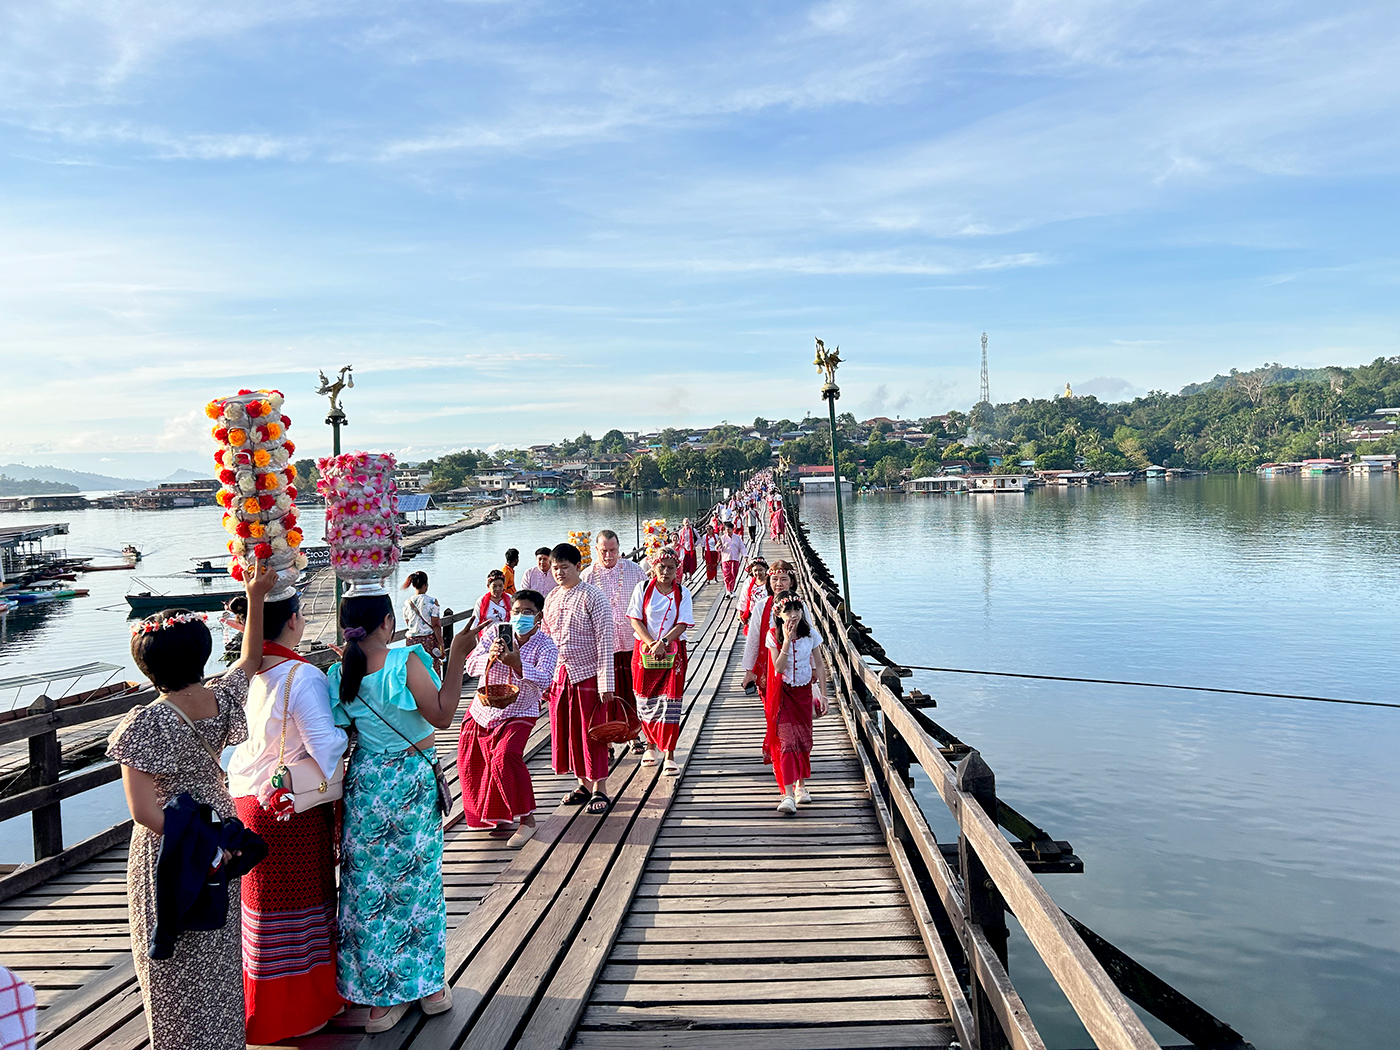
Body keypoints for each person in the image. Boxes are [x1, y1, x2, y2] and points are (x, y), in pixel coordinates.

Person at [107, 559, 277, 1050]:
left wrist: (195, 842)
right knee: (217, 952)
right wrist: (256, 595)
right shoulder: (220, 699)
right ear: (201, 655)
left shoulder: (145, 724)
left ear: (148, 666)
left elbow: (143, 811)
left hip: (170, 851)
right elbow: (249, 661)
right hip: (218, 840)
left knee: (170, 958)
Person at [329, 589, 476, 1033]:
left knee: (367, 889)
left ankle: (379, 1000)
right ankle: (428, 989)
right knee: (418, 883)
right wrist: (457, 658)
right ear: (389, 622)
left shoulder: (339, 672)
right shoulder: (405, 660)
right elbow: (443, 716)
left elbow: (342, 732)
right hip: (410, 778)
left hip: (368, 783)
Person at [227, 592, 348, 1043]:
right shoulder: (303, 674)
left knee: (261, 912)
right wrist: (347, 729)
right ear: (295, 620)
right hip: (289, 810)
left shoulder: (247, 674)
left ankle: (261, 1008)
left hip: (248, 802)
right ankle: (299, 1009)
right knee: (299, 910)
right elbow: (326, 746)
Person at [459, 590, 557, 848]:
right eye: (516, 611)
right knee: (472, 762)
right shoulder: (495, 633)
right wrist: (489, 657)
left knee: (505, 757)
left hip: (520, 709)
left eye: (527, 612)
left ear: (539, 617)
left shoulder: (546, 644)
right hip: (485, 707)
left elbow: (546, 680)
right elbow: (470, 665)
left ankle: (528, 819)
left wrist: (518, 665)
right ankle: (496, 816)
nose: (521, 616)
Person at [541, 543, 618, 815]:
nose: (559, 573)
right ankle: (582, 784)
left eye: (564, 567)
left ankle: (600, 788)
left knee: (593, 733)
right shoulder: (551, 598)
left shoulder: (593, 596)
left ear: (578, 566)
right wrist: (543, 678)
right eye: (555, 568)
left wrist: (605, 683)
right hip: (560, 674)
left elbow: (605, 640)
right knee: (567, 732)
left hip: (587, 674)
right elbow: (545, 641)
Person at [627, 547, 693, 776]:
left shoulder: (683, 593)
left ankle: (670, 753)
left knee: (670, 703)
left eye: (670, 568)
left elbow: (683, 623)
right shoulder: (642, 589)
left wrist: (663, 642)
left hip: (672, 650)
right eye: (661, 567)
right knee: (645, 700)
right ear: (653, 567)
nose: (665, 572)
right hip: (645, 650)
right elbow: (635, 619)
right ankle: (651, 745)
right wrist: (652, 643)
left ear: (677, 570)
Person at [765, 591, 830, 814]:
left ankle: (802, 786)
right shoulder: (773, 635)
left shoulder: (810, 634)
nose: (793, 615)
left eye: (797, 610)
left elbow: (820, 666)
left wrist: (823, 693)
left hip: (803, 693)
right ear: (779, 614)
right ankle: (788, 794)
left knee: (803, 740)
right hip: (783, 695)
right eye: (788, 611)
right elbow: (779, 668)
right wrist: (786, 639)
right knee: (786, 741)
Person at [581, 529, 646, 750]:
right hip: (601, 647)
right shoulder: (587, 576)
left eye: (613, 551)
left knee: (631, 691)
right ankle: (606, 740)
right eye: (604, 551)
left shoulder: (635, 571)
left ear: (619, 549)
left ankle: (634, 734)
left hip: (630, 641)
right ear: (596, 550)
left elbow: (646, 605)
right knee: (605, 693)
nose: (608, 556)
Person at [741, 559, 794, 700]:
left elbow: (809, 635)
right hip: (769, 664)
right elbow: (753, 639)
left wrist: (813, 666)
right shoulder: (761, 606)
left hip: (795, 663)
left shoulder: (800, 605)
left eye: (784, 579)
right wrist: (749, 670)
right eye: (774, 579)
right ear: (769, 582)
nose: (779, 584)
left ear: (791, 582)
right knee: (772, 707)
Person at [401, 571, 444, 675]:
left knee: (415, 670)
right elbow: (436, 625)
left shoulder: (407, 603)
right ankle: (435, 690)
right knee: (432, 668)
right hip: (428, 639)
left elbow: (408, 623)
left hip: (411, 641)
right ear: (425, 585)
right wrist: (441, 644)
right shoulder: (432, 601)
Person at [738, 558, 769, 635]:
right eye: (755, 570)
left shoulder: (770, 581)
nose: (758, 573)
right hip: (753, 614)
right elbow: (743, 597)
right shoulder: (749, 582)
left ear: (765, 569)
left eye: (760, 570)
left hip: (768, 614)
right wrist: (740, 612)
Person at [719, 522, 747, 597]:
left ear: (733, 529)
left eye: (729, 529)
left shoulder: (737, 538)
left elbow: (742, 547)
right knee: (726, 575)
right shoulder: (722, 538)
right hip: (726, 558)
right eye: (726, 530)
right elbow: (718, 549)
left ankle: (732, 589)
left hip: (735, 558)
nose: (727, 531)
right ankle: (728, 590)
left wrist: (745, 555)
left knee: (733, 574)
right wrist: (718, 545)